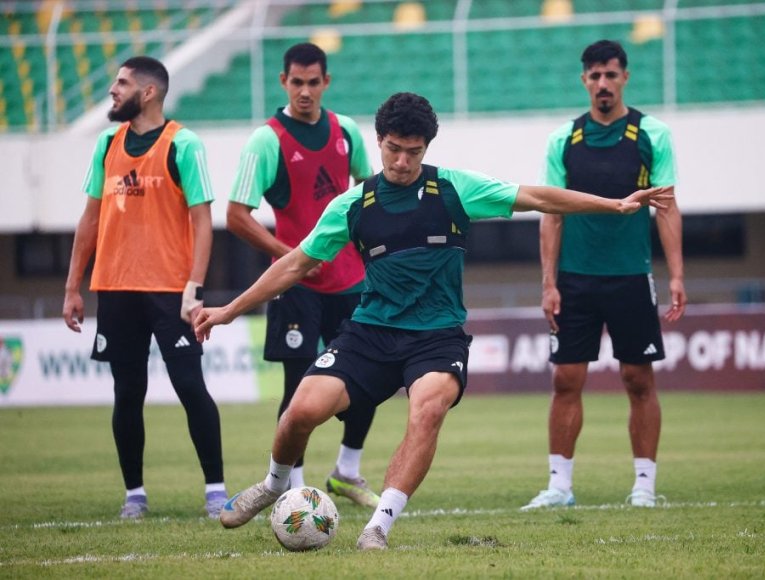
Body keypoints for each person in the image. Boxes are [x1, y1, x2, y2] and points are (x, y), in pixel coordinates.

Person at [193, 92, 672, 550]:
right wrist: (230, 311)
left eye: (413, 152)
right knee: (299, 411)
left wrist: (614, 204)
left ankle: (378, 528)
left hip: (437, 338)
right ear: (378, 141)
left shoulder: (453, 189)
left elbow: (537, 197)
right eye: (393, 150)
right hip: (370, 333)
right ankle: (274, 484)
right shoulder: (353, 205)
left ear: (427, 148)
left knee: (427, 409)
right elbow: (294, 264)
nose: (402, 161)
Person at [522, 40, 686, 511]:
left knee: (638, 380)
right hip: (575, 281)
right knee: (566, 381)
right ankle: (559, 487)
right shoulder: (564, 140)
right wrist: (548, 283)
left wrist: (676, 275)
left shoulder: (651, 134)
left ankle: (644, 487)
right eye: (594, 75)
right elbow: (550, 214)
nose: (602, 84)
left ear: (625, 78)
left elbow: (668, 207)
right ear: (584, 81)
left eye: (611, 74)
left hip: (632, 277)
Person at [62, 56, 226, 520]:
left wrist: (194, 286)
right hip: (114, 287)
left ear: (148, 92)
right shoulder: (107, 143)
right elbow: (90, 218)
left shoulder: (184, 144)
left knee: (191, 387)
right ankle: (134, 494)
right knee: (126, 392)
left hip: (171, 291)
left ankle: (216, 490)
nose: (113, 90)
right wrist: (73, 286)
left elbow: (202, 221)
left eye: (122, 83)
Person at [225, 42, 379, 508]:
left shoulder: (346, 131)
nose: (306, 91)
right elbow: (236, 215)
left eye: (314, 82)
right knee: (298, 391)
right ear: (283, 82)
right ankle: (296, 492)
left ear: (326, 82)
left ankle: (346, 472)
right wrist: (288, 253)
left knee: (366, 381)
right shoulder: (265, 140)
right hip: (295, 287)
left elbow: (369, 191)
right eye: (297, 82)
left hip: (350, 282)